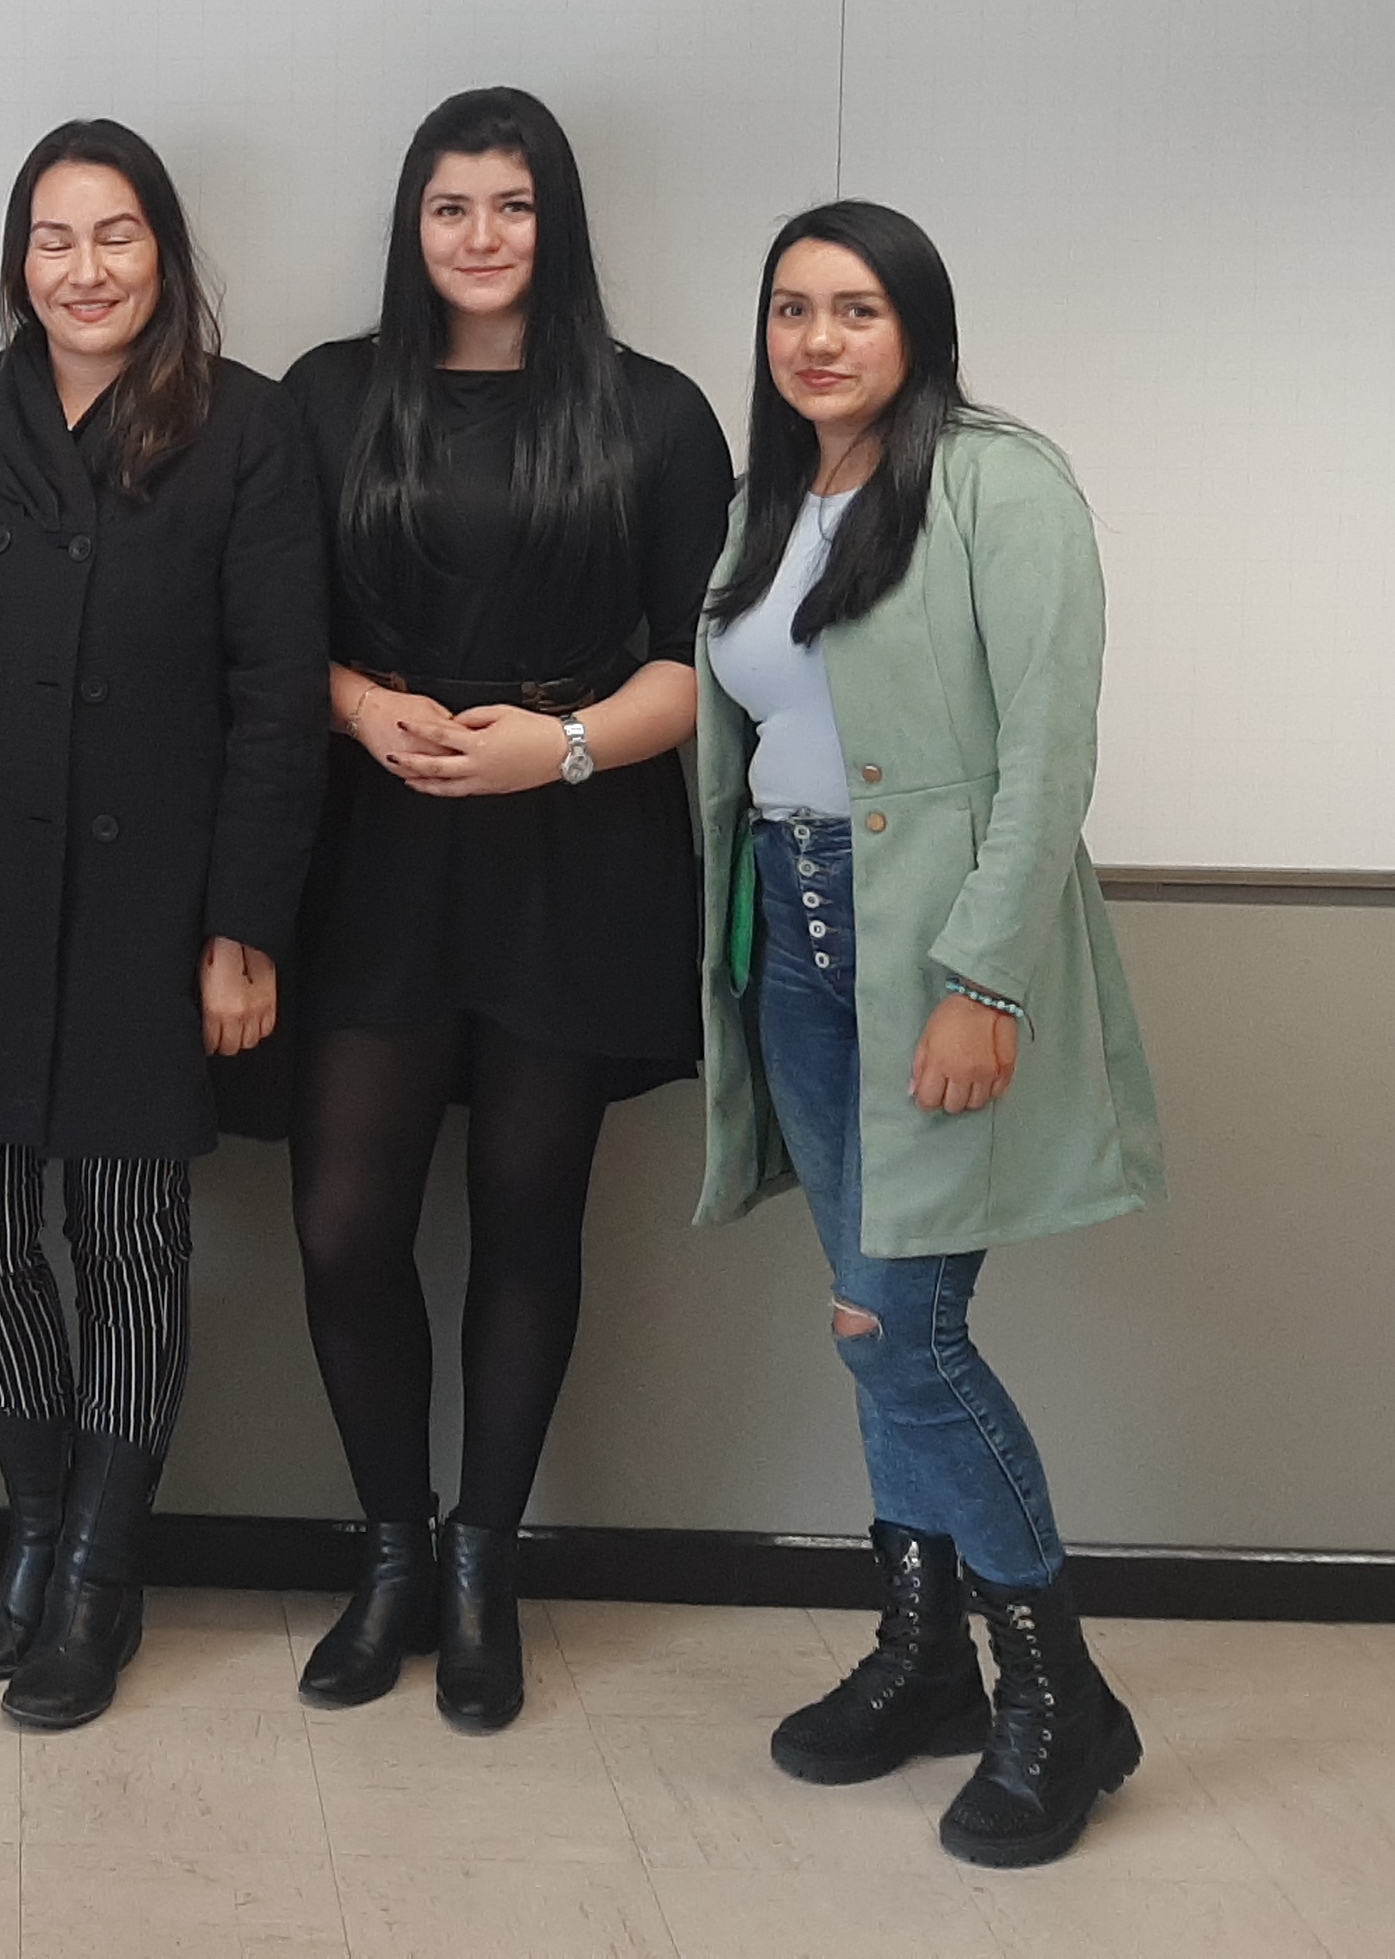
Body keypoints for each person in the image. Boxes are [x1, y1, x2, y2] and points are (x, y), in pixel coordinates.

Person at [694, 199, 1164, 1870]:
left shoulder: (999, 484)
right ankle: (925, 1655)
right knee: (865, 1321)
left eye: (857, 309)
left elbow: (1049, 753)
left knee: (910, 1334)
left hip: (929, 950)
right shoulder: (766, 502)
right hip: (796, 939)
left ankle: (1059, 1695)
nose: (818, 339)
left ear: (919, 327)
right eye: (792, 309)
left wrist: (984, 980)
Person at [0, 117, 325, 1733]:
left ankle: (102, 1572)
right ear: (18, 262)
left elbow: (276, 700)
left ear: (164, 255)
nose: (85, 268)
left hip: (148, 900)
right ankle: (42, 1519)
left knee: (129, 1239)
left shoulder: (246, 425)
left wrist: (242, 929)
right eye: (54, 239)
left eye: (116, 235)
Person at [280, 90, 733, 1730]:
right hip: (374, 852)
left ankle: (485, 1564)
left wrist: (567, 746)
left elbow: (704, 662)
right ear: (412, 223)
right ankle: (392, 1550)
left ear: (561, 223)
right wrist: (353, 706)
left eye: (514, 205)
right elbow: (261, 626)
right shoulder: (329, 398)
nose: (482, 236)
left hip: (576, 847)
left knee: (530, 1211)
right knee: (345, 1225)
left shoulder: (655, 413)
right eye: (452, 205)